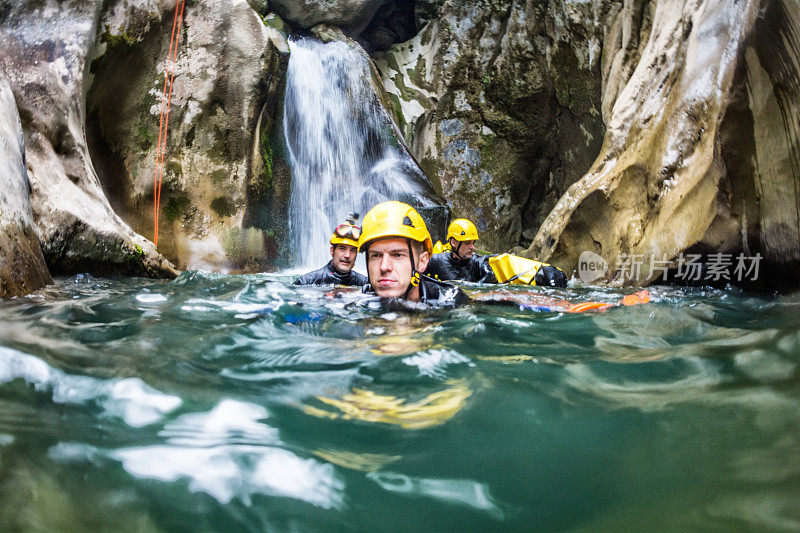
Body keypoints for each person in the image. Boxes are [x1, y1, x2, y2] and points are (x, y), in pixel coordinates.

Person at [357, 201, 470, 308]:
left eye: (398, 255)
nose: (384, 267)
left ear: (422, 262)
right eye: (376, 255)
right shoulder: (358, 300)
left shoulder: (452, 302)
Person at [426, 218, 568, 287]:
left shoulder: (475, 261)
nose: (472, 247)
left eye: (473, 243)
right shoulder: (436, 260)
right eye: (468, 243)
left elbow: (490, 264)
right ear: (454, 242)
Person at [293, 216, 369, 287]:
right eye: (342, 248)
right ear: (332, 251)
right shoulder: (307, 282)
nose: (347, 255)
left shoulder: (364, 283)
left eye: (352, 250)